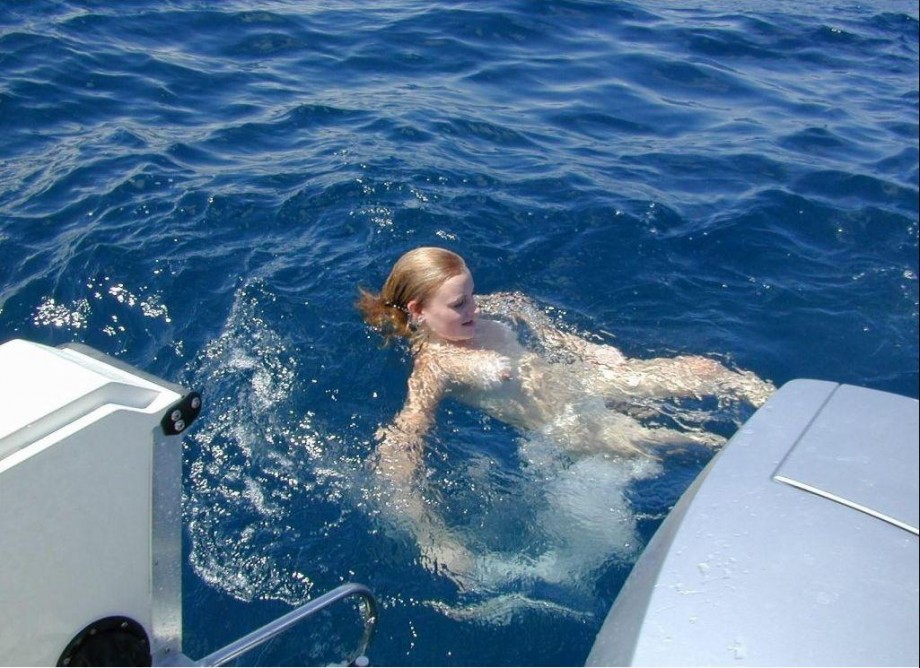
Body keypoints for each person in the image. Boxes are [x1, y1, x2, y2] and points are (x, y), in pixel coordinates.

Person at [357, 246, 775, 580]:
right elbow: (408, 432)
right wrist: (430, 536)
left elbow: (520, 305)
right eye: (459, 304)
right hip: (568, 423)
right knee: (671, 442)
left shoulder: (472, 310)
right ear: (417, 310)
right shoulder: (435, 362)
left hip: (579, 381)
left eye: (472, 295)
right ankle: (759, 457)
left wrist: (579, 347)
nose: (475, 309)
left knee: (705, 371)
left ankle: (772, 400)